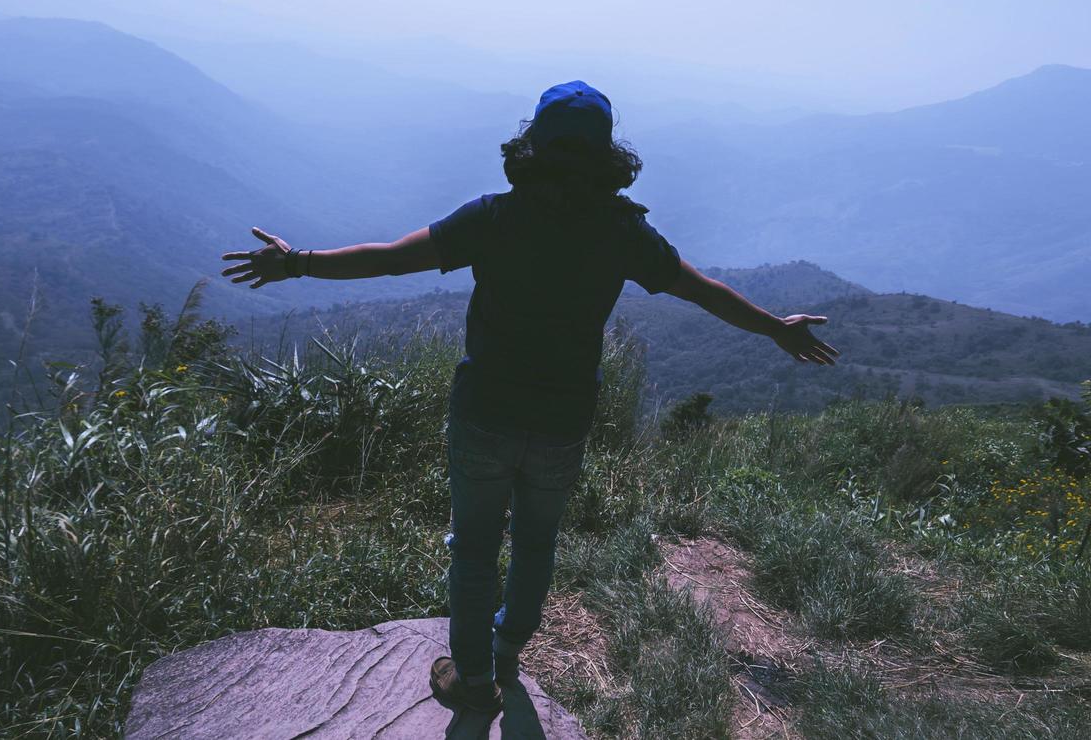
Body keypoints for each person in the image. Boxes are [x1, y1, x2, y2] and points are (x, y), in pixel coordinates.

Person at [220, 81, 838, 716]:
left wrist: (298, 264)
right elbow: (702, 290)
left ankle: (473, 679)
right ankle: (509, 651)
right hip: (563, 420)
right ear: (607, 157)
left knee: (475, 548)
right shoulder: (624, 233)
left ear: (532, 147)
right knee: (538, 541)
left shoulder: (494, 218)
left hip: (486, 411)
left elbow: (388, 261)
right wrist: (774, 329)